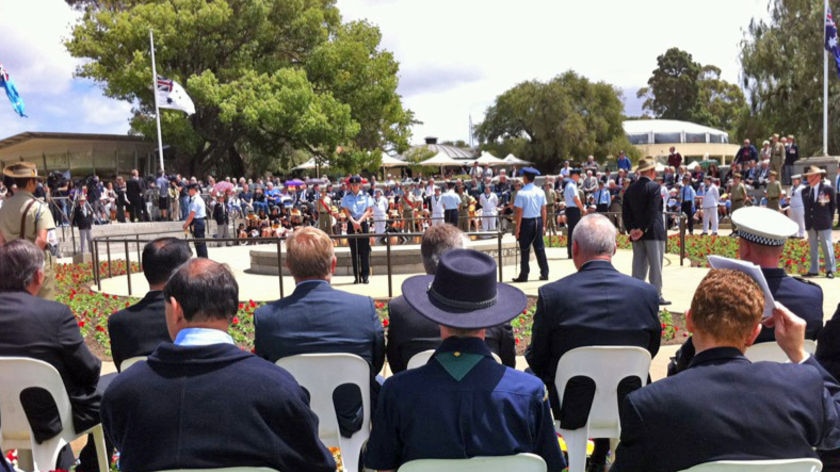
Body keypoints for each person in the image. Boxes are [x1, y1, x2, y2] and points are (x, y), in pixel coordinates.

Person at [101, 258, 335, 472]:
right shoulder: (277, 388)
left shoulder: (124, 391)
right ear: (233, 311)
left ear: (175, 309)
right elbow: (317, 465)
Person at [611, 268, 840, 472]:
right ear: (754, 334)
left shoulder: (648, 405)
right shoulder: (802, 387)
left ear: (690, 321)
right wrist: (799, 354)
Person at [365, 249, 566, 472]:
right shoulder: (529, 393)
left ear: (436, 317)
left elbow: (384, 468)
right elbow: (550, 467)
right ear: (489, 320)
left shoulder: (397, 392)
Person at [526, 213, 661, 472]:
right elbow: (650, 350)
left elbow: (538, 357)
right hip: (627, 403)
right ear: (615, 248)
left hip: (570, 407)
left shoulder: (553, 295)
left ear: (574, 248)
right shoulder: (645, 294)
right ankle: (602, 455)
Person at [254, 226, 384, 437]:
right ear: (333, 264)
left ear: (288, 266)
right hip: (351, 420)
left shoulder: (267, 318)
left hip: (294, 424)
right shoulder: (362, 308)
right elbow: (376, 363)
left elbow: (267, 372)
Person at [668, 206, 824, 374]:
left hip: (729, 388)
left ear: (745, 247)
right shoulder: (812, 295)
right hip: (793, 388)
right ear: (781, 251)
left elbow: (696, 350)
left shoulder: (721, 295)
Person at [0, 239, 108, 472]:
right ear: (39, 277)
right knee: (112, 392)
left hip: (3, 419)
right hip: (49, 420)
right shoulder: (54, 315)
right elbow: (88, 370)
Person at [386, 224, 516, 373]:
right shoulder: (493, 306)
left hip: (418, 393)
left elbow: (397, 367)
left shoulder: (401, 309)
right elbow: (507, 366)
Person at [108, 237, 192, 371]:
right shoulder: (194, 315)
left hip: (137, 389)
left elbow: (122, 370)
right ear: (182, 273)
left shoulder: (118, 322)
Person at [0, 161, 58, 299]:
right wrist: (29, 263)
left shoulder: (4, 208)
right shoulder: (39, 207)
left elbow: (1, 240)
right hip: (35, 265)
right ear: (30, 182)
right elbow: (42, 239)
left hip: (12, 265)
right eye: (36, 181)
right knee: (44, 305)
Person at [622, 158, 669, 305]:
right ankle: (656, 295)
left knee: (638, 266)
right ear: (650, 171)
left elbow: (626, 212)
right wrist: (643, 229)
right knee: (655, 266)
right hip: (652, 232)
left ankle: (636, 295)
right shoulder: (654, 187)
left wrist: (632, 230)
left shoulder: (630, 188)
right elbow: (652, 211)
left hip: (636, 233)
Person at [512, 167, 549, 282]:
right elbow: (544, 209)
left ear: (526, 178)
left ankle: (524, 275)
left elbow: (519, 211)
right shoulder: (540, 191)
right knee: (539, 248)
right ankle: (545, 272)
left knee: (525, 248)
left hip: (526, 222)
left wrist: (517, 228)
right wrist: (544, 224)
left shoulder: (522, 193)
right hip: (538, 220)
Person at [803, 165, 836, 278]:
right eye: (807, 177)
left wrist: (829, 219)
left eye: (810, 176)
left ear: (817, 177)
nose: (808, 179)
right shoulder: (805, 191)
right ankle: (813, 269)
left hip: (823, 222)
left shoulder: (827, 189)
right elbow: (807, 208)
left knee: (827, 246)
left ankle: (830, 269)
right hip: (810, 223)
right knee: (813, 247)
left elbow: (832, 206)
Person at [341, 175, 373, 284]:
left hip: (362, 223)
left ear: (360, 184)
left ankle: (365, 276)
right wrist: (353, 222)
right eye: (352, 184)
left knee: (364, 251)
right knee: (354, 251)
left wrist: (359, 222)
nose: (354, 186)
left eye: (356, 184)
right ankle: (357, 276)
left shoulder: (366, 195)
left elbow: (369, 210)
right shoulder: (347, 196)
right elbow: (346, 211)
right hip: (352, 223)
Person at [182, 183, 208, 258]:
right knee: (198, 243)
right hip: (196, 222)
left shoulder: (196, 200)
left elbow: (191, 215)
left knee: (200, 243)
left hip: (197, 222)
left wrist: (186, 224)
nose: (188, 192)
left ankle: (203, 258)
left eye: (189, 190)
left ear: (193, 190)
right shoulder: (194, 199)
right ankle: (201, 257)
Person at [564, 168, 585, 259]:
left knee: (572, 231)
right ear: (574, 175)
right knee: (574, 231)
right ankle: (572, 252)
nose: (579, 177)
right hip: (573, 210)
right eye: (578, 175)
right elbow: (576, 199)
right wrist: (583, 209)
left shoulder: (570, 185)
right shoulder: (572, 186)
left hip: (571, 209)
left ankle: (571, 252)